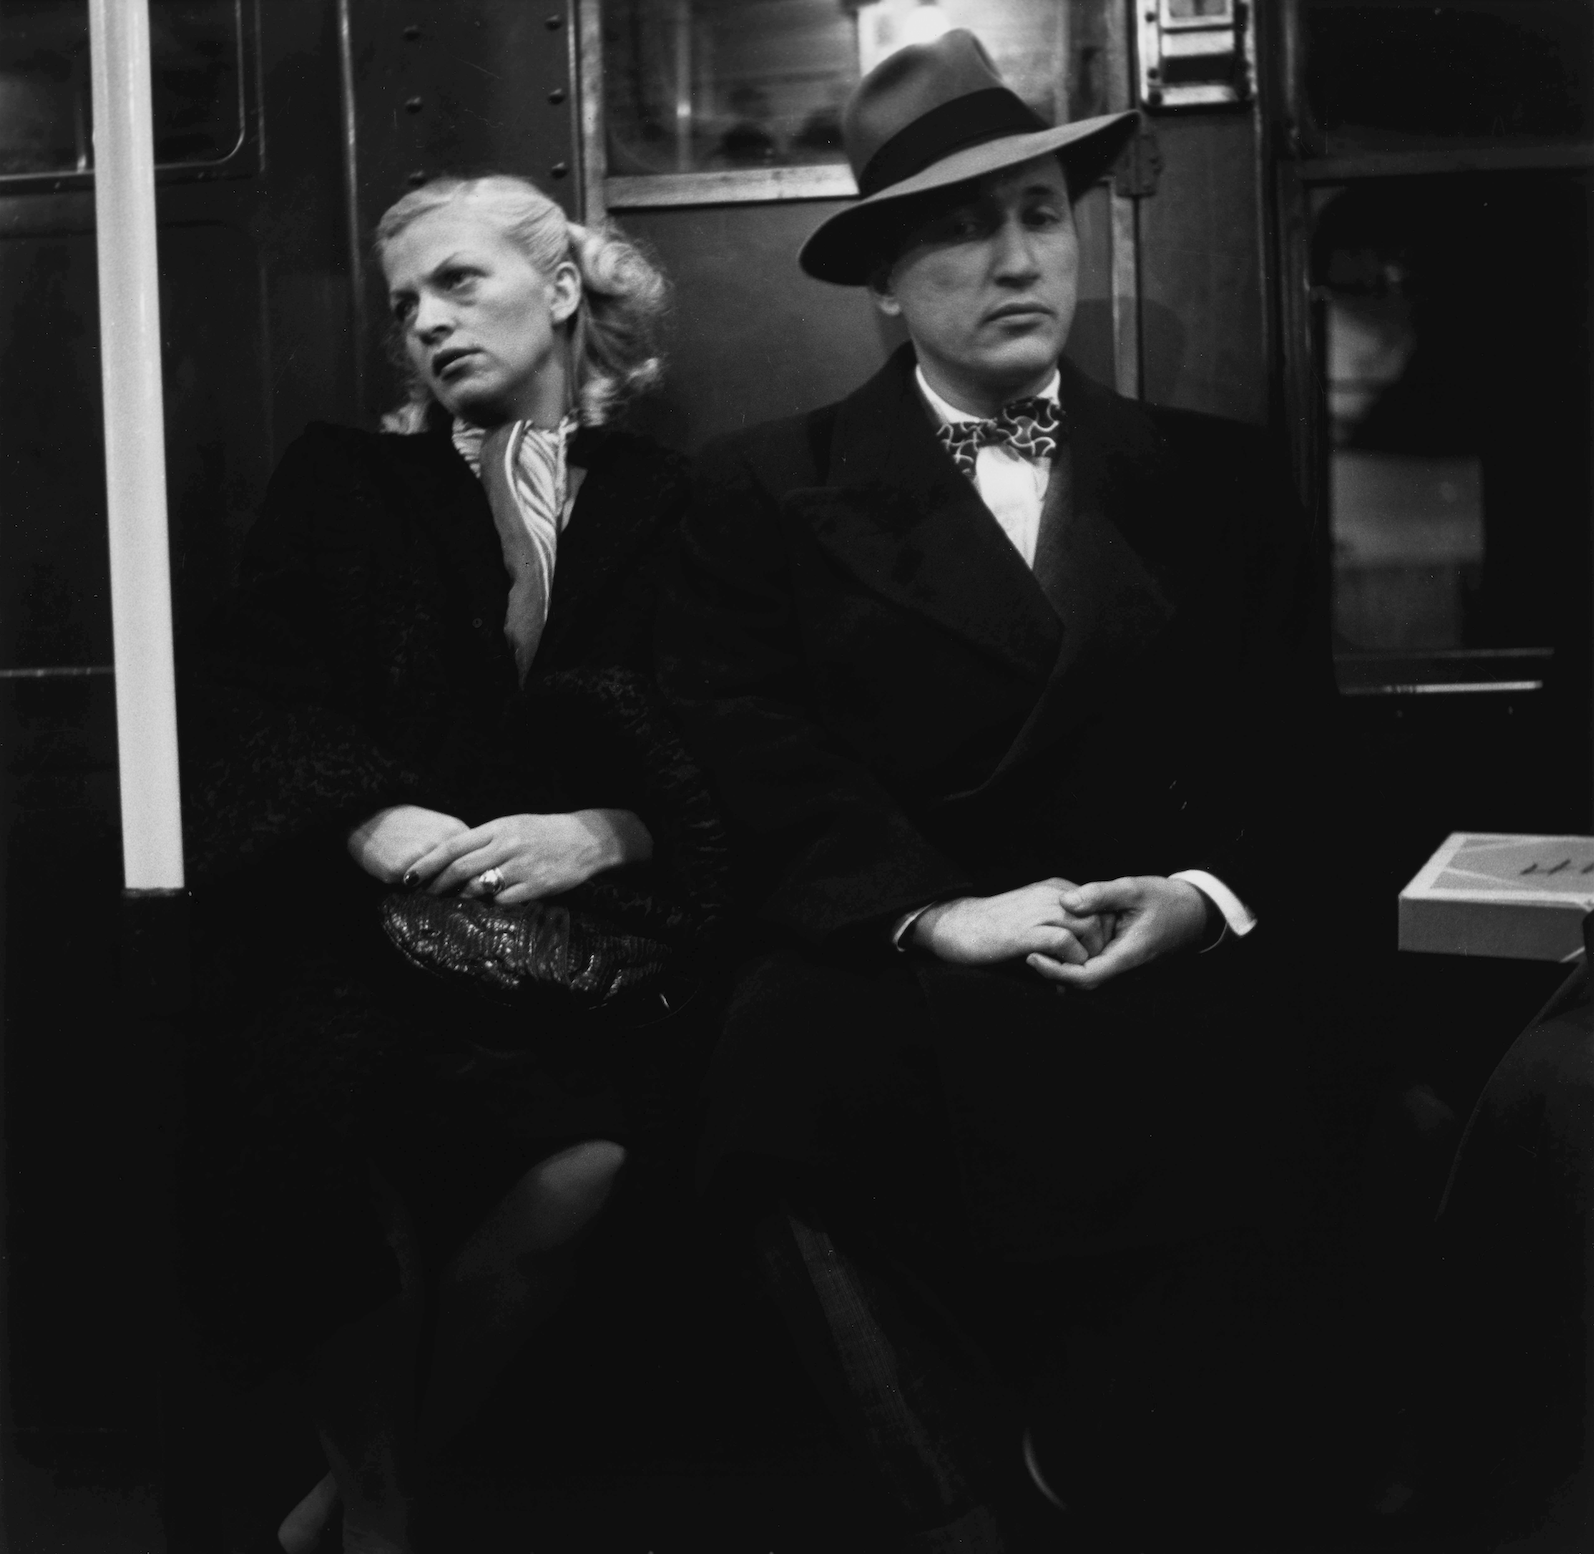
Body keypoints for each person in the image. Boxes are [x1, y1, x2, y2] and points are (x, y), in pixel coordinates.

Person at [658, 31, 1330, 1549]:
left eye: (1037, 211)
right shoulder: (762, 488)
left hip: (1152, 948)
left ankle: (1114, 1474)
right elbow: (752, 750)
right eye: (957, 229)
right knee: (775, 1067)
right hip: (917, 958)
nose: (1012, 256)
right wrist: (930, 913)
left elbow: (1289, 756)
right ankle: (967, 1514)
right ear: (886, 284)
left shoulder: (1216, 479)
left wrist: (1201, 898)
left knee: (1295, 1071)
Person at [179, 173, 720, 1553]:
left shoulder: (674, 502)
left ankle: (374, 1476)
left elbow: (734, 716)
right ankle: (383, 1504)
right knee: (322, 1124)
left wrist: (610, 830)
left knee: (593, 1160)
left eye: (457, 282)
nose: (424, 321)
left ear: (559, 288)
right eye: (403, 302)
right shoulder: (343, 481)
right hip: (359, 926)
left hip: (584, 937)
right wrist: (366, 817)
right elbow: (249, 691)